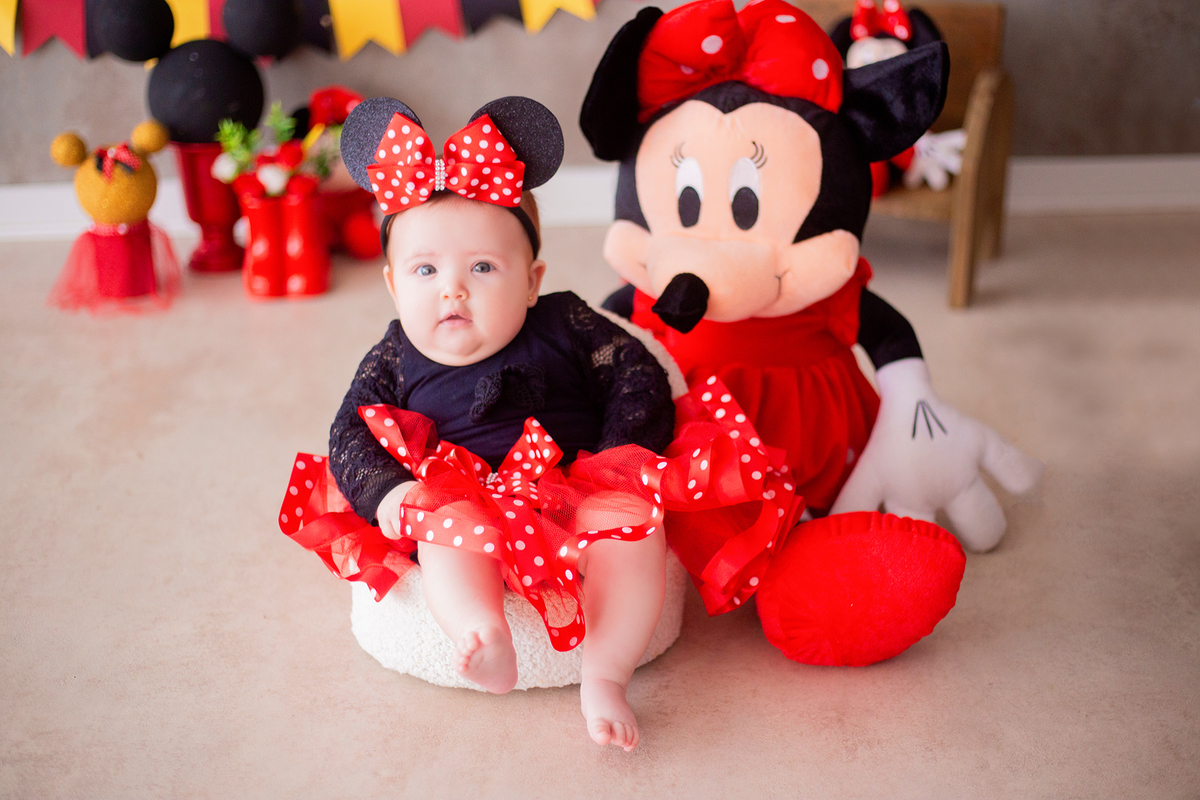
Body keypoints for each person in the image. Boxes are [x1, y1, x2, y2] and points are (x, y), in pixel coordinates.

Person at [327, 97, 674, 751]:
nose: (452, 290)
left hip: (578, 485)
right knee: (444, 529)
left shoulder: (566, 323)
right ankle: (480, 632)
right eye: (425, 271)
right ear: (394, 286)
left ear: (532, 280)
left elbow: (639, 372)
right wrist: (390, 492)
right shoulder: (394, 355)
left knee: (634, 529)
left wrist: (617, 459)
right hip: (470, 494)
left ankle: (606, 674)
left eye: (482, 268)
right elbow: (350, 429)